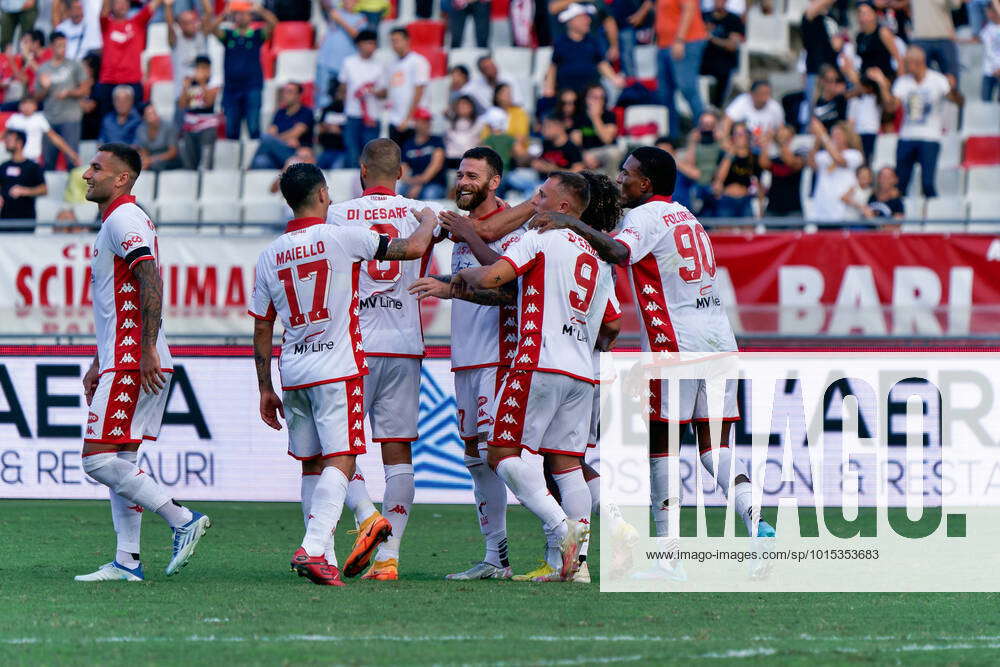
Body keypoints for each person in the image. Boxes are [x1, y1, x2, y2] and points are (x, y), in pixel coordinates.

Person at [528, 147, 776, 580]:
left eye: (626, 174)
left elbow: (619, 254)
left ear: (646, 184)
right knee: (715, 450)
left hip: (674, 346)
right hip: (720, 343)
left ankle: (670, 559)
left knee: (662, 450)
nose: (620, 180)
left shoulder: (645, 217)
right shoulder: (688, 217)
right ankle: (758, 522)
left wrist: (570, 222)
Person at [249, 162, 438, 586]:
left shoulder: (268, 254)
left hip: (293, 368)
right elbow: (409, 249)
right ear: (320, 195)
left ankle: (327, 558)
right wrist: (427, 218)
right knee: (342, 456)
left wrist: (264, 387)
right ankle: (314, 548)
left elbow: (262, 325)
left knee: (311, 465)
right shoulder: (340, 237)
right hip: (337, 366)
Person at [453, 171, 611, 583]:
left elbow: (492, 277)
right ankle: (575, 568)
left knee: (501, 454)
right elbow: (612, 325)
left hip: (536, 362)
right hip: (581, 373)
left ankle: (563, 532)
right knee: (567, 465)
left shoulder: (538, 238)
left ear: (563, 207)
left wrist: (463, 278)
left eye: (542, 195)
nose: (532, 201)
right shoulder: (596, 256)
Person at [76, 142, 210, 582]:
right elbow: (117, 304)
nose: (86, 174)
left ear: (122, 179)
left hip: (134, 358)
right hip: (124, 355)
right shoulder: (116, 221)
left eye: (97, 168)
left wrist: (146, 347)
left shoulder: (123, 218)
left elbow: (149, 276)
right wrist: (99, 360)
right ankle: (127, 561)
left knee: (96, 461)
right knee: (121, 462)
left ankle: (181, 519)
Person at [321, 139, 444, 582]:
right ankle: (388, 559)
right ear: (401, 172)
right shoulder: (419, 212)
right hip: (405, 345)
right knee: (398, 455)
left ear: (361, 170)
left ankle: (364, 519)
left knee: (335, 448)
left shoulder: (336, 214)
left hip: (352, 346)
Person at [408, 147, 521, 581]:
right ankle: (497, 557)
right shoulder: (459, 232)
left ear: (494, 183)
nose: (463, 181)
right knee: (476, 459)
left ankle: (562, 537)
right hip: (466, 361)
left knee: (504, 456)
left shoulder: (512, 232)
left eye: (473, 175)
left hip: (500, 357)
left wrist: (450, 291)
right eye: (460, 174)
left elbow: (510, 294)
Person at [868, 46, 963, 200]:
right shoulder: (903, 82)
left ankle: (932, 217)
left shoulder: (938, 80)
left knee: (927, 184)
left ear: (919, 62)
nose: (904, 66)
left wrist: (952, 90)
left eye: (907, 62)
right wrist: (883, 85)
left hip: (930, 138)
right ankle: (900, 217)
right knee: (901, 184)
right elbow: (891, 107)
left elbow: (958, 102)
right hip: (907, 137)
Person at [211, 1, 278, 140]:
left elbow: (274, 24)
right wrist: (225, 13)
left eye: (244, 13)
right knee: (231, 131)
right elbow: (211, 28)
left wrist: (259, 10)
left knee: (254, 128)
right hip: (231, 89)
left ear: (250, 16)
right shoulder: (228, 35)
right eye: (238, 13)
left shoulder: (256, 35)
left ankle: (253, 160)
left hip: (252, 87)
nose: (241, 16)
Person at [96, 0, 163, 118]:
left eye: (125, 2)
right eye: (118, 2)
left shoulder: (137, 23)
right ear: (112, 6)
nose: (121, 5)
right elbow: (104, 10)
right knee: (107, 121)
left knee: (135, 121)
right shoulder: (106, 24)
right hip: (108, 81)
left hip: (132, 81)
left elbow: (153, 5)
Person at [546, 3, 625, 97]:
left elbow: (601, 63)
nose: (588, 21)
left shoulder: (592, 42)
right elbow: (553, 67)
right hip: (567, 93)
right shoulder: (561, 43)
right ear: (571, 21)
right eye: (583, 18)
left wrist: (614, 78)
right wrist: (549, 87)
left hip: (589, 93)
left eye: (587, 17)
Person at [37, 31, 88, 171]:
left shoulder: (75, 65)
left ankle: (74, 192)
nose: (62, 49)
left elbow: (85, 90)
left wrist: (69, 93)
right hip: (49, 119)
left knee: (72, 161)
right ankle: (47, 192)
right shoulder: (43, 69)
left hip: (70, 118)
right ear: (51, 47)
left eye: (65, 45)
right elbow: (36, 98)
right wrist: (45, 88)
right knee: (48, 162)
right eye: (59, 45)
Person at [656, 0, 708, 136]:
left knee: (688, 88)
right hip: (664, 44)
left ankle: (706, 131)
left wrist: (680, 40)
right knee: (664, 93)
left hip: (685, 42)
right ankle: (672, 137)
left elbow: (689, 8)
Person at [338, 29, 385, 167]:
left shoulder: (379, 65)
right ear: (359, 44)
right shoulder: (348, 62)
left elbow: (384, 92)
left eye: (374, 44)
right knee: (352, 153)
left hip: (372, 115)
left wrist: (372, 91)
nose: (372, 47)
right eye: (369, 43)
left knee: (371, 155)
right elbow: (343, 87)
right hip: (352, 113)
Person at [807, 118, 864, 222]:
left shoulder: (854, 155)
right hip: (822, 213)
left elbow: (839, 160)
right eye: (833, 134)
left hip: (842, 213)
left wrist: (823, 135)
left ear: (847, 137)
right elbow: (811, 164)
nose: (834, 138)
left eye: (838, 135)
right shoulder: (824, 155)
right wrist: (817, 139)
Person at [250, 82, 315, 169]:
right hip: (278, 153)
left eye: (289, 92)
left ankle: (249, 168)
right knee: (260, 161)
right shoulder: (280, 113)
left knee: (265, 138)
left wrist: (275, 139)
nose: (285, 95)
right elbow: (271, 132)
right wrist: (282, 139)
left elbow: (295, 133)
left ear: (298, 96)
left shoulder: (306, 112)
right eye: (284, 92)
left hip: (296, 153)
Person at [316, 0, 366, 111]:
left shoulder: (361, 18)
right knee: (323, 99)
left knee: (344, 99)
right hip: (326, 63)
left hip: (344, 65)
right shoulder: (334, 12)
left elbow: (358, 37)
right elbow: (324, 4)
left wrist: (340, 21)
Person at [386, 28, 430, 147]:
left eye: (397, 40)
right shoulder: (392, 64)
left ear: (407, 41)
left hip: (412, 121)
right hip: (395, 119)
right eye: (392, 41)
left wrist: (408, 118)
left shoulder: (418, 61)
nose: (394, 44)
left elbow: (419, 91)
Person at [710, 122, 760, 219]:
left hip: (745, 200)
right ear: (732, 137)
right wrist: (731, 153)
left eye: (743, 133)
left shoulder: (754, 157)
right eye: (737, 134)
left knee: (748, 233)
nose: (740, 137)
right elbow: (719, 178)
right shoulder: (724, 155)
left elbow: (759, 183)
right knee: (724, 233)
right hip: (727, 198)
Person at [700, 0, 744, 108]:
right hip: (703, 59)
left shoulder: (734, 19)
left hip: (723, 61)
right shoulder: (703, 16)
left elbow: (732, 46)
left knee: (724, 73)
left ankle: (717, 107)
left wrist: (712, 39)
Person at [179, 55, 220, 169]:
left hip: (207, 126)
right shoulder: (190, 82)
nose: (198, 71)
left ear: (208, 69)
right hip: (190, 126)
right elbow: (182, 105)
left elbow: (208, 102)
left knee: (205, 163)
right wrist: (185, 88)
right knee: (190, 162)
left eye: (202, 68)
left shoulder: (214, 82)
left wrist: (202, 83)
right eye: (197, 68)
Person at [0, 129, 46, 230]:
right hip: (5, 219)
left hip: (26, 219)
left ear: (19, 142)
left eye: (9, 139)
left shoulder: (33, 166)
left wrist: (25, 191)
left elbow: (44, 189)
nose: (6, 142)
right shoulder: (3, 166)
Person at [571, 84, 620, 178]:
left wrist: (595, 117)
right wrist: (584, 155)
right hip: (586, 152)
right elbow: (575, 142)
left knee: (614, 152)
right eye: (594, 97)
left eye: (601, 97)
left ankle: (609, 183)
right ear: (586, 98)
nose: (598, 101)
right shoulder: (579, 116)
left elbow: (607, 139)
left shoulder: (609, 115)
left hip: (605, 150)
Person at [166, 0, 213, 98]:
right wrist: (169, 6)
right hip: (182, 94)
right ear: (180, 25)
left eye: (193, 21)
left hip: (201, 92)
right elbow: (170, 26)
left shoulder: (201, 35)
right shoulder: (175, 40)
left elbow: (209, 13)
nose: (191, 25)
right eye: (186, 22)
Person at [910, 0, 962, 86]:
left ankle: (952, 99)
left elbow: (956, 4)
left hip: (945, 37)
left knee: (952, 81)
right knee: (917, 81)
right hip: (921, 37)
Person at [759, 125, 806, 217]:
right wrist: (766, 144)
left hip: (793, 210)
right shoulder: (775, 158)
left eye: (786, 136)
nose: (782, 138)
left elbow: (790, 162)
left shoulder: (799, 154)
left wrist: (780, 142)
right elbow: (763, 164)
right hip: (773, 209)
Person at [801, 0, 840, 111]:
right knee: (813, 114)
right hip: (816, 74)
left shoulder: (831, 17)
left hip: (833, 74)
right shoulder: (809, 16)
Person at [400, 108, 447, 200]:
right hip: (413, 182)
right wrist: (410, 181)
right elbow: (403, 168)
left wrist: (419, 183)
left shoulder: (437, 141)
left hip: (434, 183)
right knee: (400, 193)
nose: (426, 124)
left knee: (429, 194)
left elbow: (436, 165)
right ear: (415, 123)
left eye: (428, 121)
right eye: (422, 121)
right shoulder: (408, 144)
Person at [612, 0, 654, 79]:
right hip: (620, 26)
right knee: (627, 60)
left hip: (640, 26)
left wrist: (640, 14)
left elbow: (650, 2)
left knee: (644, 58)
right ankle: (633, 84)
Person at [135, 104, 181, 171]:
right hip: (151, 161)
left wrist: (152, 160)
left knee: (156, 165)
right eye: (149, 114)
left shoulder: (169, 127)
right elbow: (144, 151)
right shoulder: (141, 129)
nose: (153, 116)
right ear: (144, 117)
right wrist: (146, 161)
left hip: (169, 160)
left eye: (154, 113)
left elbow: (173, 152)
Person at [444, 95, 484, 169]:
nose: (462, 106)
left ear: (472, 107)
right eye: (460, 104)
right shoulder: (449, 123)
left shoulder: (479, 123)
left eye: (465, 104)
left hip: (470, 160)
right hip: (452, 160)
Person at [315, 94, 348, 169]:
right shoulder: (326, 109)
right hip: (325, 148)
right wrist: (329, 128)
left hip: (343, 150)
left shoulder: (349, 110)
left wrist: (338, 130)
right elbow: (320, 126)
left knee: (337, 170)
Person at [812, 65, 848, 130]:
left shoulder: (841, 99)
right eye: (830, 80)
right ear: (822, 81)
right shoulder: (817, 102)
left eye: (836, 80)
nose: (834, 84)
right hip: (825, 137)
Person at [981, 2, 1000, 102]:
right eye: (987, 12)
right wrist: (996, 67)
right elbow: (988, 51)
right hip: (990, 71)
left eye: (990, 12)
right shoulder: (986, 29)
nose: (988, 14)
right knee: (985, 103)